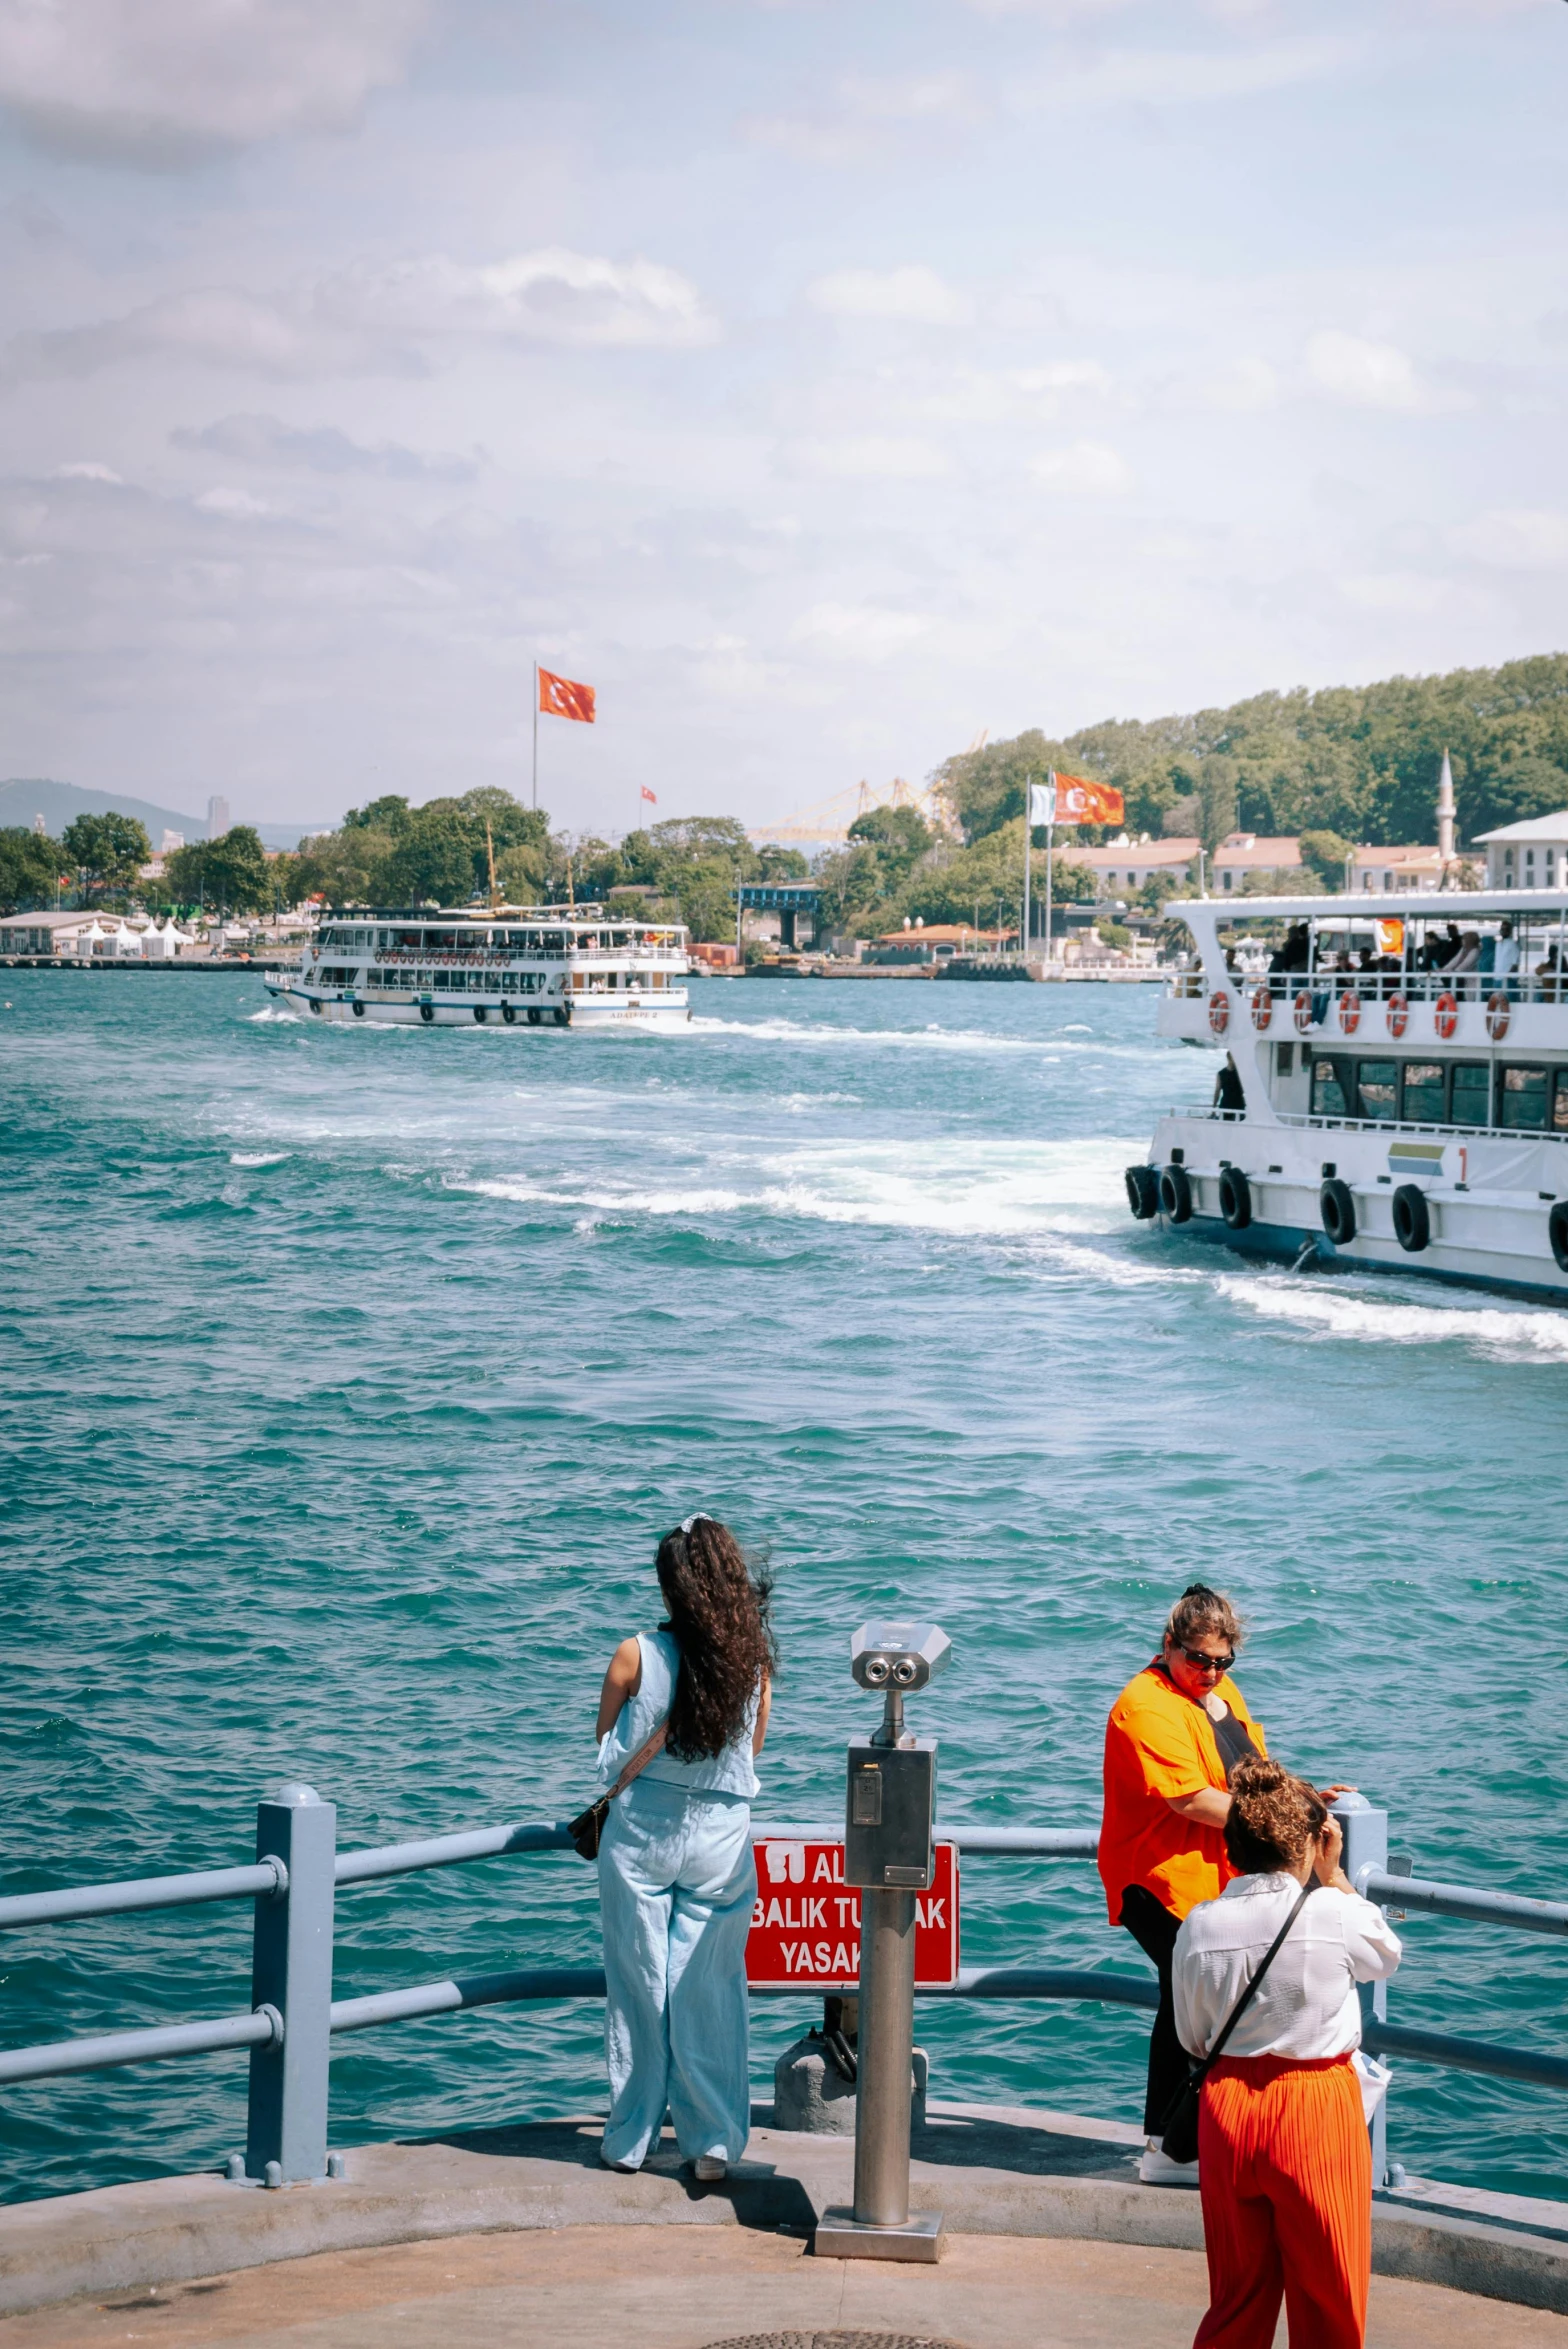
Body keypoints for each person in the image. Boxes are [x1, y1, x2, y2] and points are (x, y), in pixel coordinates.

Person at [1174, 1756, 1402, 2349]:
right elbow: (1386, 1955)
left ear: (1232, 1850)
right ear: (1308, 1845)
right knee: (1329, 2291)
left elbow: (1192, 2036)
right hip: (1313, 2101)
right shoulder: (1331, 1911)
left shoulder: (1199, 1924)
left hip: (1226, 2107)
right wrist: (1337, 1876)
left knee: (1237, 2293)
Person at [594, 1514, 775, 2179]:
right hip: (720, 1845)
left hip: (641, 1836)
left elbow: (605, 1741)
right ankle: (713, 2144)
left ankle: (629, 2140)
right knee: (709, 1987)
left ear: (669, 1586)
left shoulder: (634, 1653)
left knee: (639, 1987)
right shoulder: (752, 1660)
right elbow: (751, 1750)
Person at [1099, 1585, 1266, 2186]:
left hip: (1212, 1877)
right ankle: (1172, 2149)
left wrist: (1301, 1795)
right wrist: (1284, 1822)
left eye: (1223, 1661)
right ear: (1168, 1645)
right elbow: (1191, 1798)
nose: (1210, 1672)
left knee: (1190, 1997)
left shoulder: (1218, 1694)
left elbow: (1251, 1772)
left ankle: (1171, 2143)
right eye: (1197, 1658)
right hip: (1156, 1879)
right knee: (1194, 1996)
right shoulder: (1145, 1704)